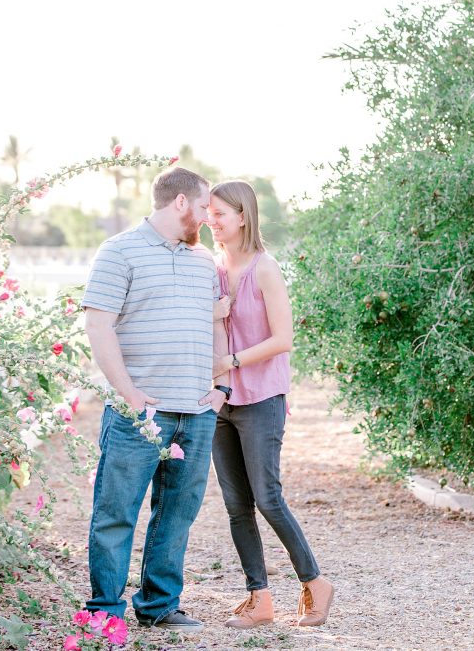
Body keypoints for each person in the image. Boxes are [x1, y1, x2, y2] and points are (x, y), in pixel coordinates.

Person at [80, 166, 232, 632]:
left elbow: (213, 325)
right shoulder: (119, 251)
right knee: (117, 510)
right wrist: (128, 392)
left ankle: (159, 605)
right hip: (138, 411)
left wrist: (221, 388)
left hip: (197, 411)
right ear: (180, 203)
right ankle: (105, 610)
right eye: (204, 207)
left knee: (177, 514)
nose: (208, 217)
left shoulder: (203, 261)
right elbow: (98, 324)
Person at [206, 180, 334, 629]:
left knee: (268, 499)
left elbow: (283, 339)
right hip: (220, 402)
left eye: (219, 213)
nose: (211, 220)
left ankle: (315, 583)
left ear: (243, 215)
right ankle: (259, 597)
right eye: (209, 213)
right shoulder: (213, 269)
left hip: (262, 399)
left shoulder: (265, 269)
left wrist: (232, 360)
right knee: (235, 504)